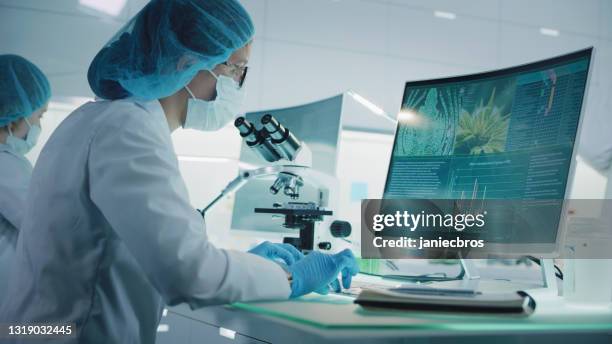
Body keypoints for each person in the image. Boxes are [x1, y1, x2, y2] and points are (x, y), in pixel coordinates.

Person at [0, 1, 358, 343]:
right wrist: (290, 277)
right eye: (235, 69)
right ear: (187, 62)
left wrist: (244, 264)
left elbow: (142, 246)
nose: (237, 84)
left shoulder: (99, 119)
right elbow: (189, 274)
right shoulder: (127, 129)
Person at [0, 54, 50, 297]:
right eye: (39, 116)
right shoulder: (5, 166)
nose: (39, 125)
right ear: (17, 113)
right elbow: (47, 227)